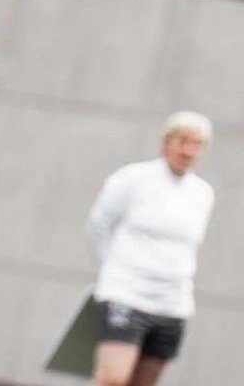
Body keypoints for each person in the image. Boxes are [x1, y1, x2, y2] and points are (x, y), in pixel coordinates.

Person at [87, 112, 216, 386]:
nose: (188, 151)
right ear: (166, 143)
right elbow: (99, 225)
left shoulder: (202, 193)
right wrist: (115, 271)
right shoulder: (133, 179)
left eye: (196, 144)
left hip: (172, 302)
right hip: (126, 294)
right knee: (113, 379)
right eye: (182, 141)